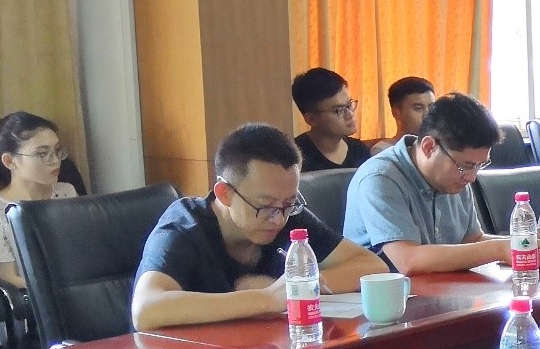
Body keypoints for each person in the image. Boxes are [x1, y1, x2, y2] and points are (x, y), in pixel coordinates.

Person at [131, 124, 386, 330]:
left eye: (289, 203)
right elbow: (146, 309)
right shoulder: (184, 228)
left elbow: (373, 266)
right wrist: (266, 298)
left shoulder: (288, 213)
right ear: (224, 194)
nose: (278, 219)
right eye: (265, 206)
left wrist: (297, 286)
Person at [344, 93, 540, 275]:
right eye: (466, 165)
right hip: (381, 302)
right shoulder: (380, 178)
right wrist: (500, 248)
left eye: (480, 165)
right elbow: (408, 260)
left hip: (441, 292)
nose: (472, 177)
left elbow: (472, 240)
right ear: (429, 147)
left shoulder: (457, 175)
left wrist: (522, 241)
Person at [0, 112, 79, 288]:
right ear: (10, 161)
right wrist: (56, 287)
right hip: (32, 296)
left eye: (57, 150)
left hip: (77, 287)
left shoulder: (66, 192)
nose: (55, 160)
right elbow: (8, 279)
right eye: (42, 154)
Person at [291, 68, 373, 172]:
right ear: (311, 119)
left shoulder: (360, 151)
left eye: (349, 105)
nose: (350, 114)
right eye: (339, 110)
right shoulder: (293, 157)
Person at [371, 76, 435, 154]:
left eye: (432, 107)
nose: (427, 115)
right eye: (418, 108)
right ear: (396, 113)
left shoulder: (440, 147)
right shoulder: (384, 151)